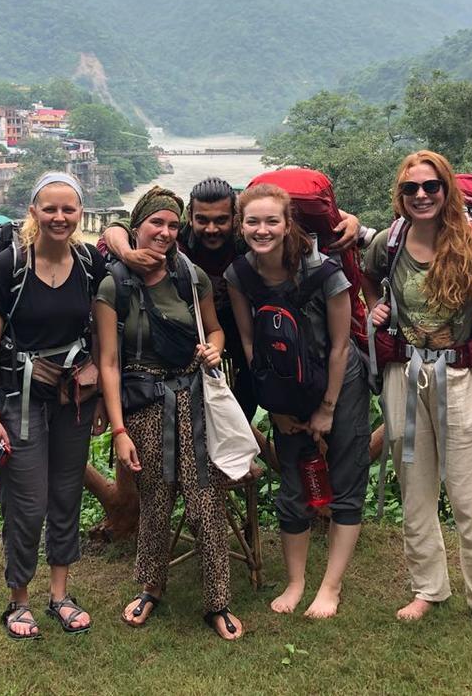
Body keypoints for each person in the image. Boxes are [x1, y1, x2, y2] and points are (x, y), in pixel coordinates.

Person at [364, 150, 472, 634]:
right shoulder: (387, 241)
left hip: (460, 375)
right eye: (411, 188)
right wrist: (376, 307)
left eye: (430, 187)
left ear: (446, 190)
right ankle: (427, 588)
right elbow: (368, 280)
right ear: (401, 194)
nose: (421, 195)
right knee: (414, 489)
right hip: (405, 372)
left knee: (470, 492)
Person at [95, 186, 243, 640]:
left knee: (204, 501)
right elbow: (109, 362)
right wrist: (119, 429)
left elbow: (216, 330)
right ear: (136, 226)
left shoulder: (189, 275)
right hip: (142, 406)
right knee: (155, 501)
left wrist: (212, 351)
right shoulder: (114, 283)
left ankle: (218, 601)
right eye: (155, 223)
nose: (164, 232)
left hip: (193, 398)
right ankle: (150, 586)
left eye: (172, 225)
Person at [226, 183, 370, 618]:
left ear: (288, 224)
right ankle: (296, 582)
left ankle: (331, 585)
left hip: (339, 383)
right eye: (253, 221)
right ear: (242, 224)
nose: (262, 229)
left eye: (272, 221)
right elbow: (252, 347)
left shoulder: (324, 272)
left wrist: (327, 408)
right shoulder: (240, 275)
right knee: (293, 486)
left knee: (346, 479)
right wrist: (278, 407)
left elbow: (342, 347)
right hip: (286, 387)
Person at [103, 177, 362, 419]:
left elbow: (281, 217)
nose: (211, 228)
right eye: (202, 219)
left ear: (236, 219)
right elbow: (116, 229)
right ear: (189, 218)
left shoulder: (248, 236)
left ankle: (244, 440)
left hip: (240, 324)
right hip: (187, 328)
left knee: (252, 377)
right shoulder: (177, 235)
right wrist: (127, 253)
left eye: (221, 220)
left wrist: (349, 219)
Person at [0, 171, 107, 640]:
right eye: (49, 208)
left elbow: (102, 325)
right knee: (26, 502)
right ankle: (18, 599)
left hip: (73, 397)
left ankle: (60, 593)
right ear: (33, 212)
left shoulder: (91, 263)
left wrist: (94, 371)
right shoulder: (8, 267)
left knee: (67, 495)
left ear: (79, 214)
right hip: (18, 395)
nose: (59, 217)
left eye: (68, 209)